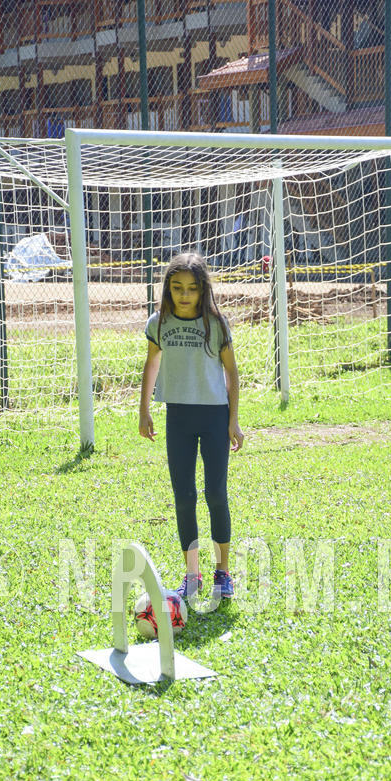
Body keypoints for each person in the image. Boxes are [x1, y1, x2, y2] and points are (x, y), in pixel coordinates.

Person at [139, 251, 244, 601]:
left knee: (215, 493)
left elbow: (231, 372)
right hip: (178, 417)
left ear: (203, 290)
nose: (184, 295)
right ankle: (192, 574)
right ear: (168, 288)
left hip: (214, 416)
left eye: (192, 288)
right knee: (184, 498)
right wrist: (144, 410)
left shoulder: (216, 324)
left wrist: (233, 420)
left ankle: (223, 572)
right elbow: (151, 364)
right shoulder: (159, 323)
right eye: (177, 287)